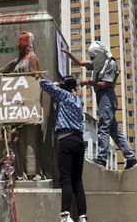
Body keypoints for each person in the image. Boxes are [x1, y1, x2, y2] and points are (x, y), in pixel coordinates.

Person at [62, 41, 137, 169]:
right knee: (114, 131)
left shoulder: (110, 64)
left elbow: (105, 84)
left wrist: (89, 82)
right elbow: (80, 63)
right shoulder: (98, 63)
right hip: (101, 97)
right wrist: (68, 53)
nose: (91, 60)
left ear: (99, 55)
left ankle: (102, 158)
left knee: (104, 127)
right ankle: (130, 158)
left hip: (107, 96)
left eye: (92, 57)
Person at [39, 77, 88, 222]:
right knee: (77, 181)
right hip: (79, 141)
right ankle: (82, 216)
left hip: (66, 139)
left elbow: (43, 83)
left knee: (66, 178)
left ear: (63, 86)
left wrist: (56, 84)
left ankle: (65, 215)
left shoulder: (63, 94)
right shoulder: (79, 101)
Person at [0, 31, 42, 179]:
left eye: (21, 40)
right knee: (17, 141)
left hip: (28, 106)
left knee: (29, 141)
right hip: (15, 107)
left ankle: (31, 172)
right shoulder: (17, 61)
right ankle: (18, 171)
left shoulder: (32, 58)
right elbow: (0, 71)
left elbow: (37, 80)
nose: (18, 43)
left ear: (28, 43)